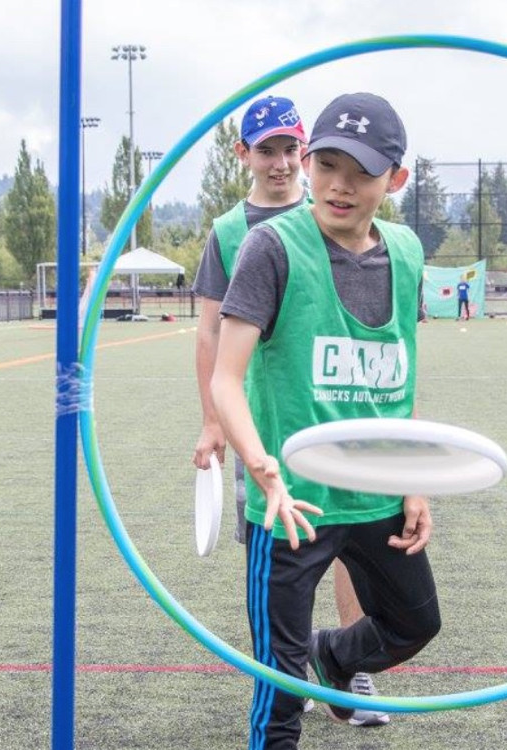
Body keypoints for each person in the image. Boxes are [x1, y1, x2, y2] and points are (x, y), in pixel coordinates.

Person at [211, 92, 439, 750]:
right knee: (280, 686)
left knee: (413, 625)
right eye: (328, 164)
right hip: (292, 502)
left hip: (374, 490)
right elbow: (227, 378)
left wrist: (414, 481)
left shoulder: (406, 252)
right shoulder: (271, 247)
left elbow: (401, 372)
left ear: (395, 179)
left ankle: (334, 658)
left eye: (362, 171)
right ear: (308, 163)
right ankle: (296, 683)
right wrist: (263, 470)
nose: (340, 186)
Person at [190, 94, 391, 729]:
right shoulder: (231, 232)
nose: (280, 164)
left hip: (338, 408)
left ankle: (349, 669)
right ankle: (286, 672)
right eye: (266, 150)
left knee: (351, 542)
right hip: (267, 423)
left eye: (289, 149)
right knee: (283, 548)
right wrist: (214, 421)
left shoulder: (336, 212)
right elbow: (209, 339)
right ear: (243, 154)